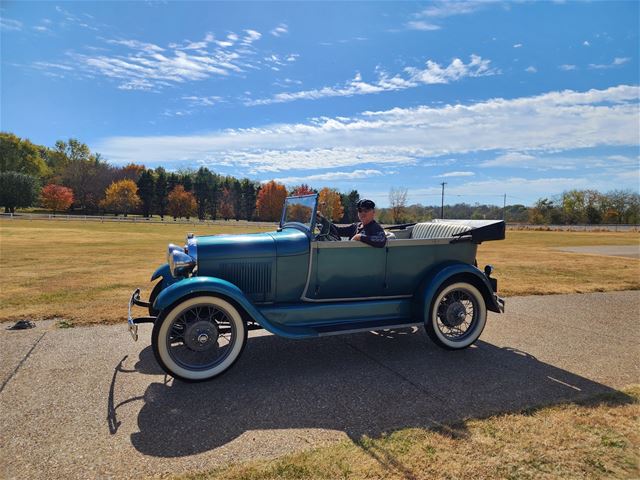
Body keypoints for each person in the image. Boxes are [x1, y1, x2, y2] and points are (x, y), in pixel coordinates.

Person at [317, 199, 387, 248]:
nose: (362, 213)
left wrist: (359, 237)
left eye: (366, 210)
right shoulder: (356, 226)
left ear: (373, 212)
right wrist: (323, 220)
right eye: (360, 210)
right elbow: (338, 231)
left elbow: (381, 240)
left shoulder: (375, 227)